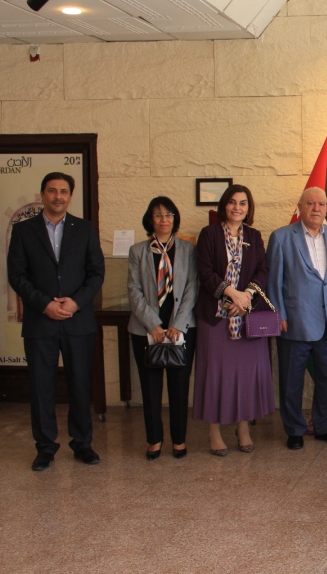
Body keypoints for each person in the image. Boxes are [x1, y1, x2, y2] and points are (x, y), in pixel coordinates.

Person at [7, 172, 104, 471]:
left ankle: (82, 444)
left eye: (63, 191)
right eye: (52, 191)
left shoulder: (85, 229)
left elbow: (96, 273)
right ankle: (45, 448)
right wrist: (45, 304)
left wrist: (76, 302)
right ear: (43, 194)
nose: (58, 196)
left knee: (80, 385)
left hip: (78, 321)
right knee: (41, 387)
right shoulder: (23, 231)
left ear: (70, 196)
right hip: (41, 321)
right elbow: (17, 275)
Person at [267, 187, 327, 449]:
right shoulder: (281, 237)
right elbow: (274, 281)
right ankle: (294, 429)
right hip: (295, 321)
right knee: (291, 380)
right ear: (300, 207)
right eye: (310, 203)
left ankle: (325, 426)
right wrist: (278, 314)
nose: (316, 208)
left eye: (321, 204)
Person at [194, 185, 275, 456]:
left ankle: (243, 428)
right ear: (224, 206)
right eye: (232, 202)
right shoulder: (209, 234)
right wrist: (231, 294)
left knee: (245, 377)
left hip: (245, 315)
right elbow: (205, 272)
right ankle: (214, 432)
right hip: (214, 317)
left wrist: (246, 297)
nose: (237, 207)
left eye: (242, 203)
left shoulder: (254, 235)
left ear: (248, 208)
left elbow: (262, 270)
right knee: (215, 375)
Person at [127, 197, 198, 460]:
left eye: (169, 215)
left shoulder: (188, 250)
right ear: (150, 219)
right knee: (150, 388)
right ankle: (154, 440)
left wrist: (177, 324)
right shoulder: (138, 251)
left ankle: (179, 440)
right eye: (158, 215)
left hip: (181, 329)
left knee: (179, 387)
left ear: (174, 219)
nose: (164, 219)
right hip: (146, 330)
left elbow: (192, 287)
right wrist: (154, 324)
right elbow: (133, 290)